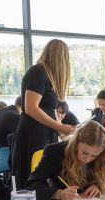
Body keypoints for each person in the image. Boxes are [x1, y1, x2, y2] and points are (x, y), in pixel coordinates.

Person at [11, 39, 76, 188]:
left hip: (45, 133)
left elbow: (48, 109)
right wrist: (59, 127)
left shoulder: (47, 76)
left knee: (48, 173)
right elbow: (31, 108)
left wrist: (61, 130)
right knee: (34, 176)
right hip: (33, 133)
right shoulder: (38, 72)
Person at [26, 120, 105, 200]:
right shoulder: (55, 152)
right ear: (76, 143)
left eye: (94, 156)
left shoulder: (103, 157)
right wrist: (58, 193)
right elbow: (31, 186)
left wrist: (99, 186)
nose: (87, 159)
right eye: (84, 153)